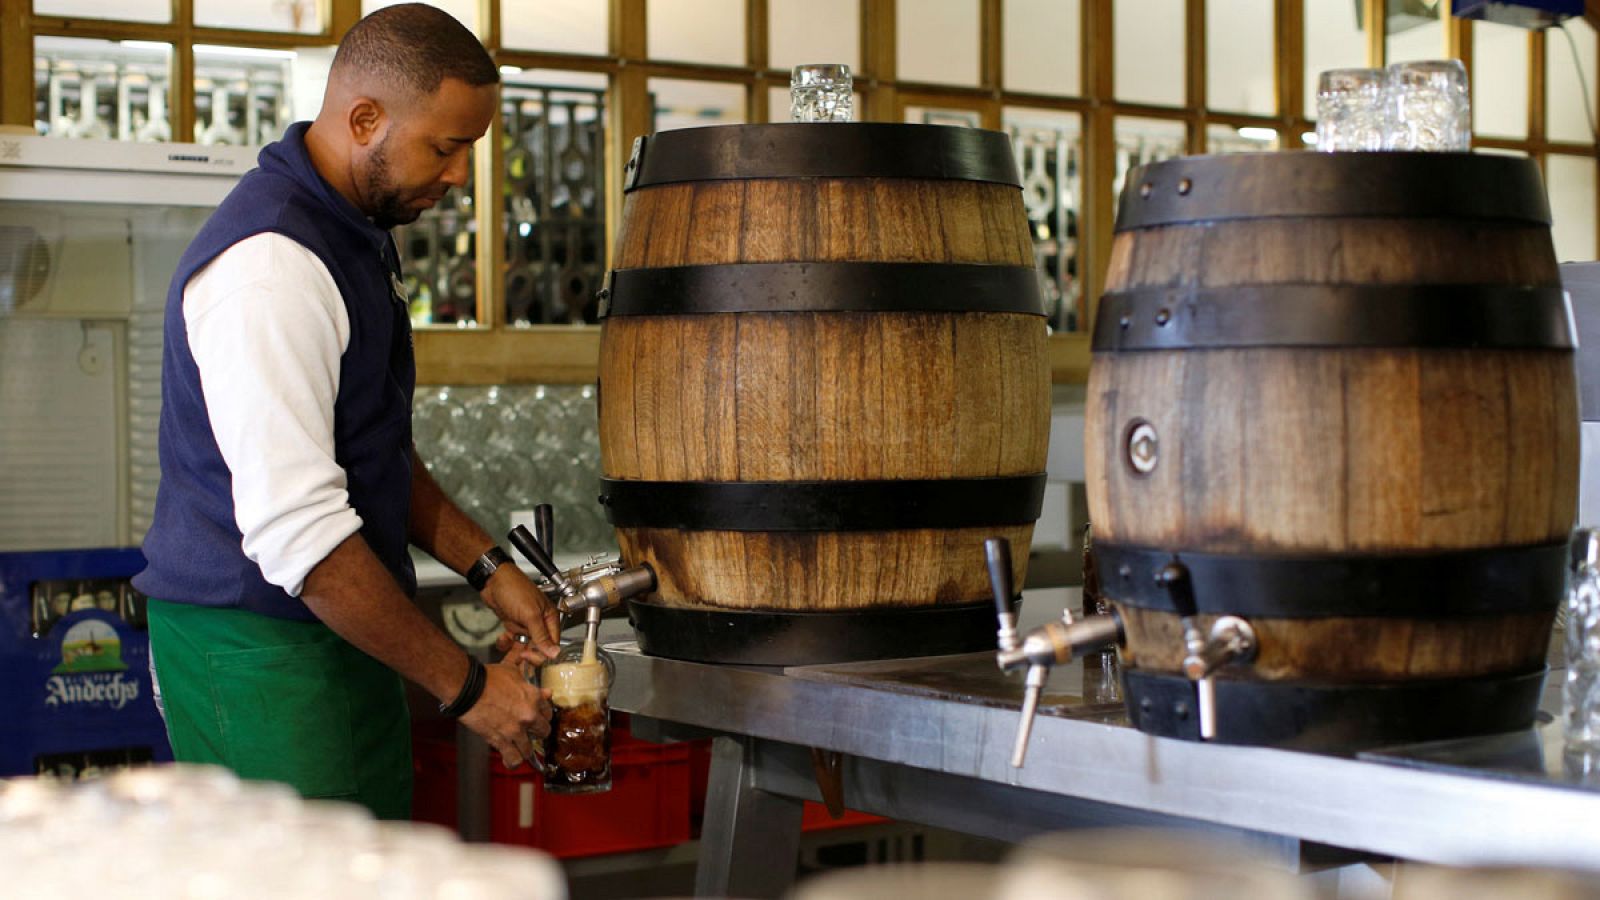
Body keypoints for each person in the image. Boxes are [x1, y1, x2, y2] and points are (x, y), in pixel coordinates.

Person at [132, 3, 561, 820]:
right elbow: (302, 533)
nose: (462, 175)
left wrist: (486, 565)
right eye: (446, 147)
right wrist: (469, 687)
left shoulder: (354, 229)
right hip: (258, 652)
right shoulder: (270, 268)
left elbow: (372, 450)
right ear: (365, 119)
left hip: (340, 635)